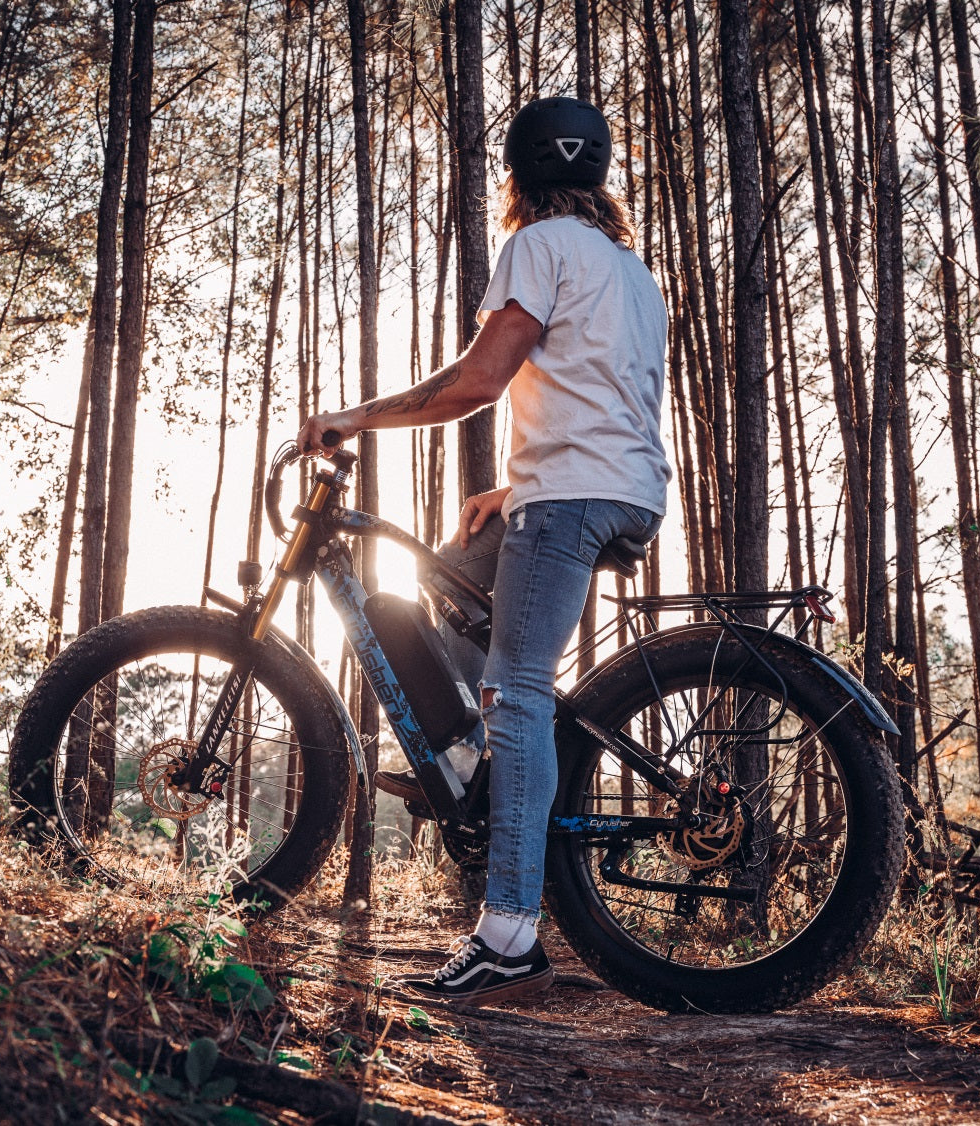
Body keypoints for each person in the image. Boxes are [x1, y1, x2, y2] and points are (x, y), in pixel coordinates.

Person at [297, 96, 671, 1004]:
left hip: (571, 498)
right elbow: (608, 391)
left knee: (517, 688)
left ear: (520, 177)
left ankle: (506, 929)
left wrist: (351, 416)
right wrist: (514, 488)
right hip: (617, 489)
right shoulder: (631, 270)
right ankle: (469, 761)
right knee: (443, 581)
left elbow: (474, 381)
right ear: (595, 174)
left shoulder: (536, 246)